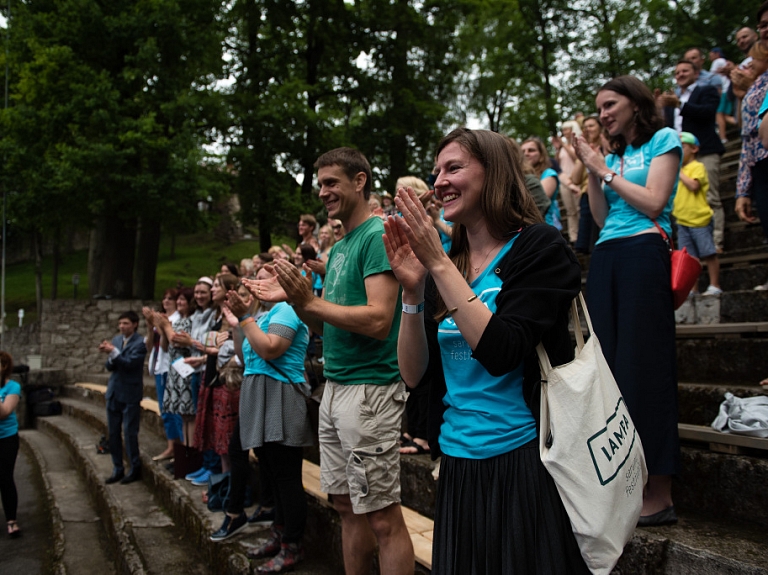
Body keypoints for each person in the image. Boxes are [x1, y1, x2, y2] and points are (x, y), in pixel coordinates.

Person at [384, 128, 587, 573]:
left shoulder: (538, 247)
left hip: (524, 461)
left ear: (493, 173)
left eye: (453, 167)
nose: (439, 181)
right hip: (458, 462)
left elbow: (502, 350)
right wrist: (413, 293)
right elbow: (414, 375)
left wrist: (436, 263)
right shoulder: (451, 265)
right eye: (436, 170)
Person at [249, 147, 414, 575]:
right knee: (345, 505)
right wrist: (298, 301)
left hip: (371, 390)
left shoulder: (378, 234)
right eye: (320, 184)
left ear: (360, 181)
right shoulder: (340, 247)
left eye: (331, 182)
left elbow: (379, 320)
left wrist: (309, 302)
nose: (322, 192)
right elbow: (327, 328)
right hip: (336, 388)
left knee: (382, 515)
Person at [574, 75, 682, 526]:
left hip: (645, 250)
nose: (603, 113)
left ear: (636, 103)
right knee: (611, 368)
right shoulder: (612, 156)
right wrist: (592, 170)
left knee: (646, 365)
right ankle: (626, 479)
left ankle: (661, 490)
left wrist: (604, 170)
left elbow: (655, 202)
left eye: (610, 104)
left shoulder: (664, 139)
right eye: (598, 107)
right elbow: (600, 218)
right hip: (608, 256)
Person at [211, 273, 313, 574]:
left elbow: (270, 348)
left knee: (286, 475)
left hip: (281, 394)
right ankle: (279, 535)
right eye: (256, 279)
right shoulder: (264, 313)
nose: (258, 284)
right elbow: (246, 357)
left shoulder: (288, 308)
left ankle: (293, 545)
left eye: (266, 278)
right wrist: (239, 319)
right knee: (269, 472)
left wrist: (245, 318)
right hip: (258, 394)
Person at [660, 59, 726, 252]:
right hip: (679, 158)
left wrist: (679, 104)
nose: (680, 74)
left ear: (696, 73)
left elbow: (707, 113)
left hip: (705, 150)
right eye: (677, 72)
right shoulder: (670, 100)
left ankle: (716, 241)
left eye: (684, 71)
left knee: (711, 196)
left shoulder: (706, 91)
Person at [98, 311, 148, 485]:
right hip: (114, 391)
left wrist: (114, 353)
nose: (122, 327)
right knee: (113, 432)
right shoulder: (117, 340)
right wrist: (112, 355)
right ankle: (117, 467)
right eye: (120, 323)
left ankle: (134, 467)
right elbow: (109, 365)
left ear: (134, 324)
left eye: (125, 323)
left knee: (129, 432)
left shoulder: (140, 343)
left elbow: (130, 364)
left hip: (130, 394)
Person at [672, 132, 722, 295]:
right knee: (689, 258)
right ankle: (693, 288)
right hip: (682, 219)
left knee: (709, 252)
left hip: (699, 219)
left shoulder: (697, 167)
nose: (680, 151)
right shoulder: (680, 171)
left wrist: (678, 172)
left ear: (694, 148)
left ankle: (715, 284)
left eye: (683, 147)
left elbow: (694, 186)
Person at [736, 38, 768, 291]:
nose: (746, 67)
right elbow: (747, 137)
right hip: (758, 164)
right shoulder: (752, 89)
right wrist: (743, 190)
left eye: (751, 61)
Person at [143, 289, 183, 461]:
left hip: (170, 367)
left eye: (170, 298)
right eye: (164, 298)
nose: (166, 301)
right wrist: (149, 324)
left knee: (174, 410)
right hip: (159, 366)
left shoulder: (177, 320)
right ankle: (170, 446)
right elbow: (150, 345)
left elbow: (168, 344)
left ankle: (179, 448)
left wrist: (160, 324)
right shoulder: (160, 319)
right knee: (164, 409)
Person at [571, 115, 604, 254]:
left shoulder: (609, 146)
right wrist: (583, 157)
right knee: (590, 243)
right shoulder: (585, 148)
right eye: (585, 127)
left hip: (606, 195)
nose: (588, 129)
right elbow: (575, 179)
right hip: (587, 196)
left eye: (591, 126)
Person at [0, 351, 21, 537]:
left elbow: (4, 412)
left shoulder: (13, 387)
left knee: (5, 477)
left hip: (6, 438)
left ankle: (11, 520)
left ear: (4, 366)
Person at [552, 120, 583, 244]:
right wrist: (558, 149)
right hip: (564, 181)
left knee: (579, 208)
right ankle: (573, 236)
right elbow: (557, 164)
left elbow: (576, 158)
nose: (564, 132)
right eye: (563, 130)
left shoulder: (576, 144)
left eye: (567, 129)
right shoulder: (562, 148)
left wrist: (563, 145)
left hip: (577, 179)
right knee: (570, 210)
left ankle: (582, 234)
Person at [521, 137, 562, 230]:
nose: (526, 154)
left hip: (545, 228)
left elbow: (537, 203)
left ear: (541, 155)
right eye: (522, 151)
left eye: (531, 150)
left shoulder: (549, 173)